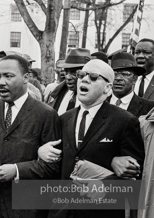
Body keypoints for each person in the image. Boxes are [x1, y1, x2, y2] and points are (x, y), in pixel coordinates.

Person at [57, 59, 145, 218]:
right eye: (81, 75)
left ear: (108, 88)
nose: (84, 79)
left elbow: (134, 176)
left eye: (93, 77)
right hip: (63, 210)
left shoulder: (125, 121)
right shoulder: (63, 119)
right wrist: (42, 151)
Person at [0, 54, 61, 218]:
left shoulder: (46, 114)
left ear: (26, 78)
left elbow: (52, 167)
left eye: (9, 76)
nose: (1, 82)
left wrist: (16, 170)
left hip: (25, 206)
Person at [109, 52, 154, 118]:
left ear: (134, 79)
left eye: (125, 74)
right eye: (114, 74)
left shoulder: (149, 108)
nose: (118, 78)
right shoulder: (98, 103)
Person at [46, 48, 91, 115]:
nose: (68, 77)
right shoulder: (57, 93)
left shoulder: (96, 99)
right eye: (66, 72)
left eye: (73, 72)